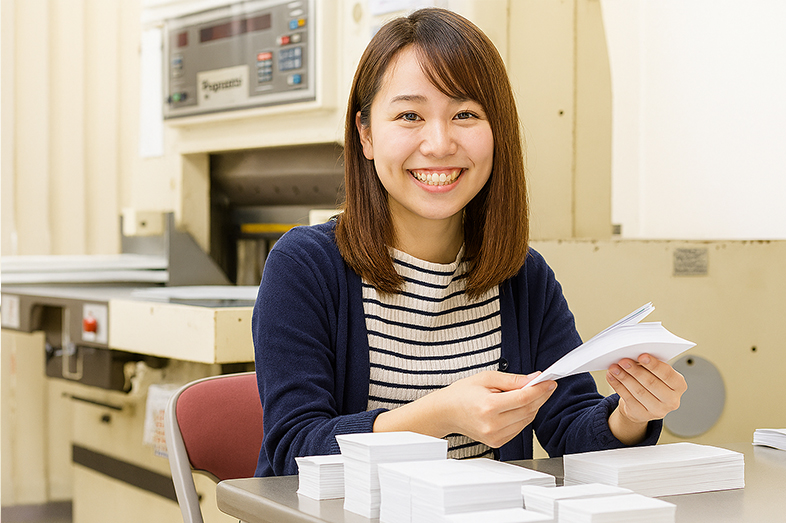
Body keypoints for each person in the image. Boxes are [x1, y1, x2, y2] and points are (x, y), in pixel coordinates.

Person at [252, 7, 687, 477]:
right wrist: (439, 416)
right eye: (409, 115)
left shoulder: (522, 275)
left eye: (464, 114)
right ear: (366, 134)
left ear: (497, 130)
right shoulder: (305, 266)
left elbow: (569, 431)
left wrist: (632, 415)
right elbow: (294, 450)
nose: (439, 143)